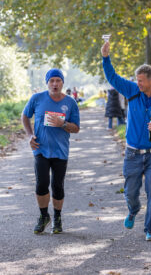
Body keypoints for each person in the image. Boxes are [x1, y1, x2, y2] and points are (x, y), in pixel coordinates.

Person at [101, 41, 151, 241]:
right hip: (133, 153)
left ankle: (150, 229)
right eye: (137, 80)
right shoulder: (133, 90)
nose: (138, 83)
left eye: (142, 80)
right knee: (131, 192)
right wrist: (105, 58)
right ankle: (133, 210)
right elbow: (112, 77)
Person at [22, 68, 80, 234]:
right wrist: (30, 135)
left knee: (57, 186)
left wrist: (62, 123)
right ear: (47, 83)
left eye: (58, 81)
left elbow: (76, 128)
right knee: (41, 184)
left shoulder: (70, 103)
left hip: (61, 151)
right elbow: (25, 116)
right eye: (52, 81)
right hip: (40, 149)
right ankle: (43, 216)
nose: (55, 84)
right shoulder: (37, 98)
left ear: (62, 83)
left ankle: (57, 217)